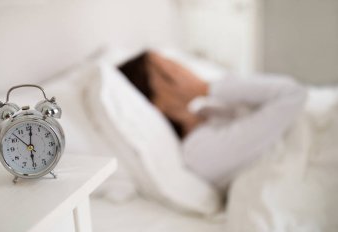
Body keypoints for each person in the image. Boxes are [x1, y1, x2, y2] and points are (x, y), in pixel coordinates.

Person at [119, 51, 307, 191]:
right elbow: (292, 94)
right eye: (169, 71)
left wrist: (208, 90)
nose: (182, 68)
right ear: (155, 104)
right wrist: (203, 87)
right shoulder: (198, 151)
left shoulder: (208, 111)